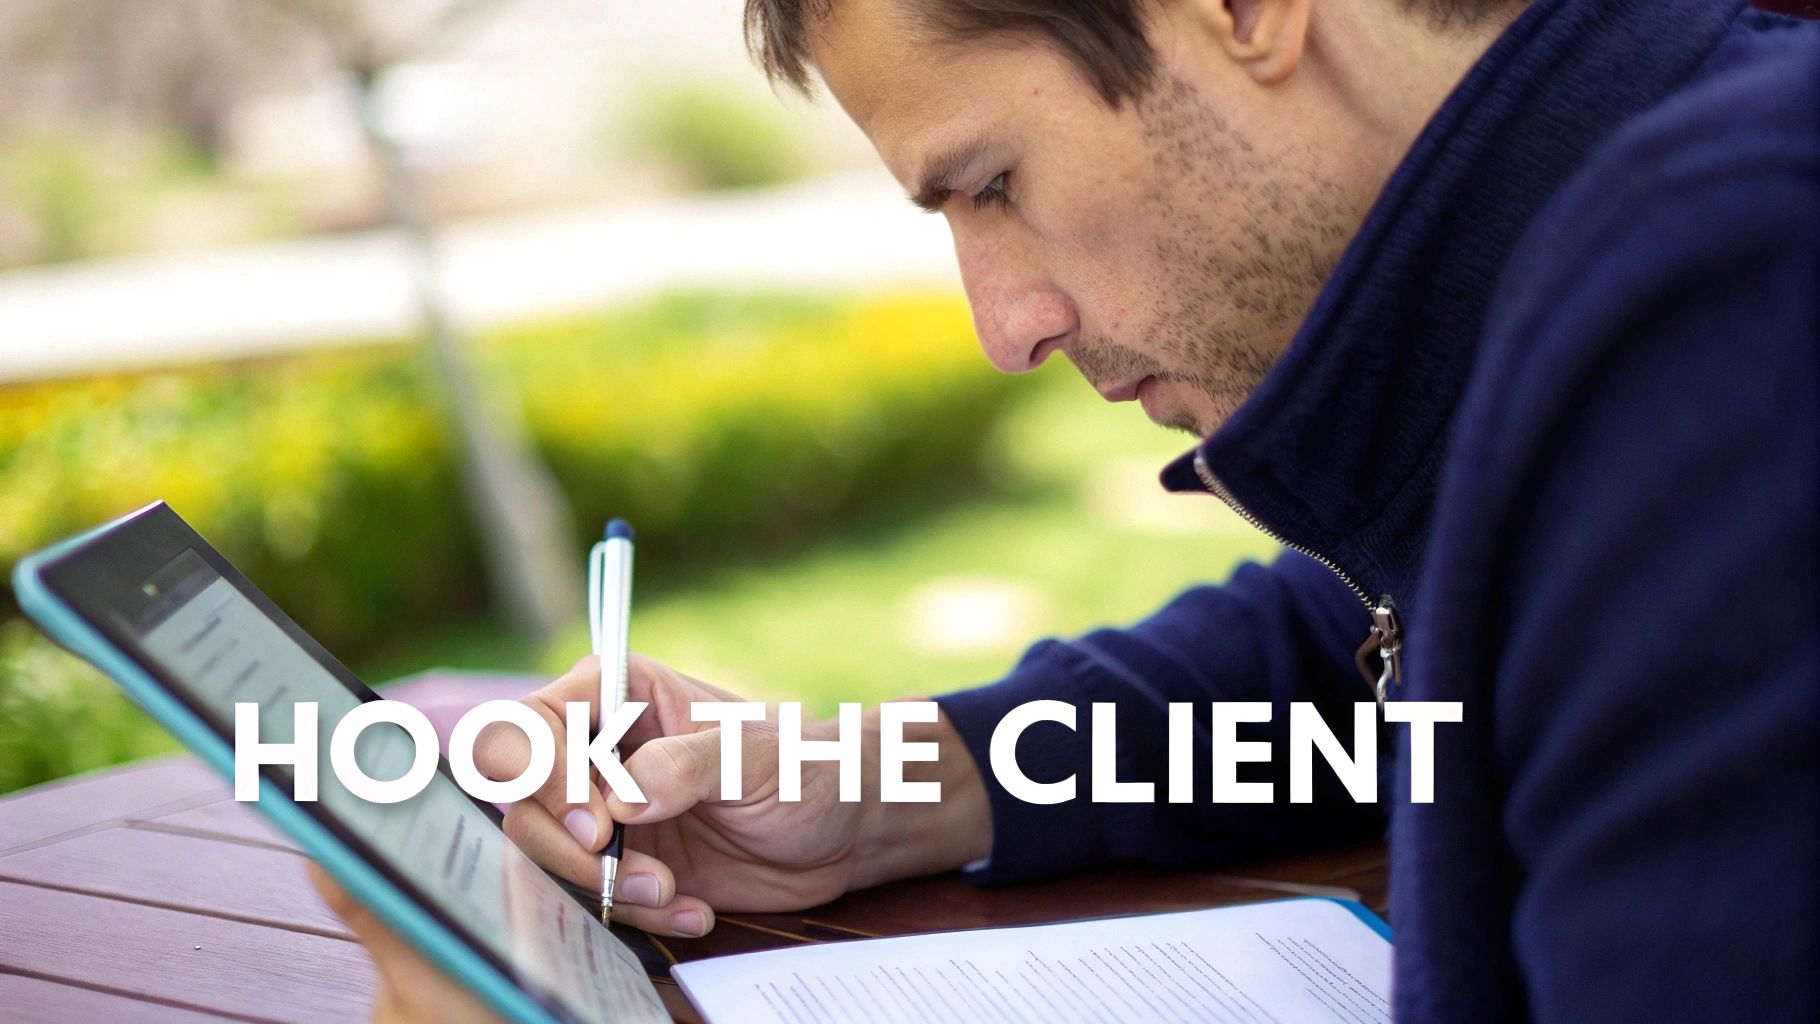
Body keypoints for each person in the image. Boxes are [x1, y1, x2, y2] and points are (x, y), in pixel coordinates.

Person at [315, 0, 1820, 1019]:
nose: (1006, 324)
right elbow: (1391, 651)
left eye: (993, 183)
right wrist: (900, 780)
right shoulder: (1608, 283)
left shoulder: (1734, 297)